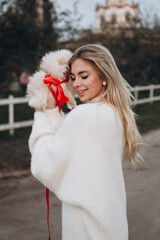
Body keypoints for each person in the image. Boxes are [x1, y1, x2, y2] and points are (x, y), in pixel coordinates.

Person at [29, 44, 143, 240]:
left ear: (104, 76)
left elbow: (45, 163)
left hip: (87, 227)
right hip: (110, 223)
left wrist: (42, 112)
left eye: (84, 76)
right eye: (73, 78)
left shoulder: (86, 115)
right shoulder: (113, 113)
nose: (77, 84)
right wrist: (53, 113)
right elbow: (69, 143)